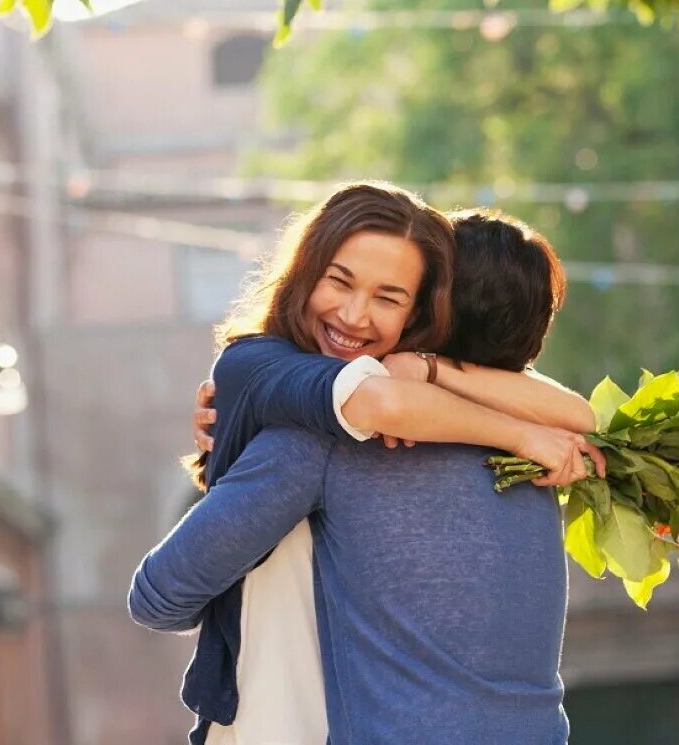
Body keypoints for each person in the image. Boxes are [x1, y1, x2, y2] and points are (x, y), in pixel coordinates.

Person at [130, 204, 597, 743]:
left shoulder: (326, 437)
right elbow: (584, 412)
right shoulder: (542, 443)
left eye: (391, 295)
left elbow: (159, 596)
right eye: (343, 282)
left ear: (424, 312)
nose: (356, 316)